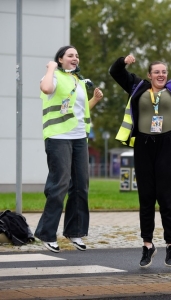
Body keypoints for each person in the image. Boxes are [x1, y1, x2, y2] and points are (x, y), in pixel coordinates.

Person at [109, 47, 171, 268]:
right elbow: (115, 72)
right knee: (146, 197)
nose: (161, 75)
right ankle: (147, 245)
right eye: (156, 72)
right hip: (144, 146)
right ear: (149, 75)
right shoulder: (138, 86)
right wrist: (123, 61)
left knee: (168, 198)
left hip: (168, 146)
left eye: (164, 71)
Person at [34, 45, 103, 253]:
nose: (75, 58)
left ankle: (75, 232)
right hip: (57, 137)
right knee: (60, 184)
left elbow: (78, 110)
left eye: (77, 56)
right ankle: (46, 234)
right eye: (70, 55)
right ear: (61, 59)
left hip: (79, 137)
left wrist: (95, 100)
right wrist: (51, 67)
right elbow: (46, 89)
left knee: (81, 185)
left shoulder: (78, 81)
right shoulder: (52, 76)